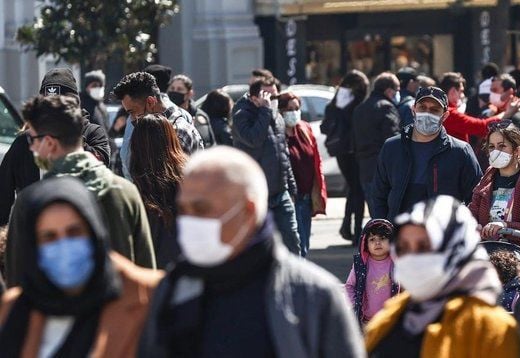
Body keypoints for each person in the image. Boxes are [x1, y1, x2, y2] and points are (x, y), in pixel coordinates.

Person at [137, 146, 364, 357]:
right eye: (183, 210)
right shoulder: (173, 288)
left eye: (201, 209)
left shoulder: (312, 297)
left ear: (248, 211)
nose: (189, 221)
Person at [0, 177, 164, 357]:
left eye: (74, 232)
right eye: (49, 237)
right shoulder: (14, 311)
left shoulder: (152, 295)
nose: (64, 246)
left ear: (95, 232)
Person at [5, 96, 155, 286]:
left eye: (31, 138)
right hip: (120, 311)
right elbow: (146, 276)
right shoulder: (125, 191)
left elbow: (17, 281)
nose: (31, 147)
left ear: (50, 143)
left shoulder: (30, 201)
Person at [365, 196, 520, 357]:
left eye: (424, 246)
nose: (412, 257)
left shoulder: (490, 328)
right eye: (404, 247)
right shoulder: (390, 316)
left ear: (456, 251)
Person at [0, 68, 111, 226]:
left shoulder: (93, 133)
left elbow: (99, 166)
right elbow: (3, 194)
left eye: (61, 107)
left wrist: (69, 134)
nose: (53, 114)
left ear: (74, 106)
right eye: (48, 107)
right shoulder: (26, 142)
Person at [371, 86, 482, 221]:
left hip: (442, 236)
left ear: (445, 115)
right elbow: (379, 195)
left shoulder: (460, 151)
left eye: (434, 110)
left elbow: (476, 197)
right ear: (414, 110)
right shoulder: (392, 148)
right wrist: (381, 229)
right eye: (422, 108)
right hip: (399, 235)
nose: (427, 113)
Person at [231, 75, 301, 255]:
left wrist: (291, 186)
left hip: (280, 192)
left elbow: (282, 152)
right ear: (254, 98)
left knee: (292, 241)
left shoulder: (275, 115)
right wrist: (265, 111)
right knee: (259, 248)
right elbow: (254, 139)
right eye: (268, 97)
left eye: (276, 96)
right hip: (257, 196)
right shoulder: (241, 116)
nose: (273, 101)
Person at [113, 71, 204, 180]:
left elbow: (175, 186)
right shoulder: (149, 129)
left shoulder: (178, 132)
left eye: (132, 112)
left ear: (151, 102)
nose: (132, 119)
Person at [130, 114, 187, 268]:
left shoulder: (137, 191)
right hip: (187, 269)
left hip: (151, 275)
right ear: (172, 140)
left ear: (136, 147)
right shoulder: (188, 178)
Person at [321, 70, 369, 242]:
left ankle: (348, 227)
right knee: (357, 189)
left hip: (341, 151)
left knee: (353, 188)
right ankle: (355, 231)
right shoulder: (357, 103)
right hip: (354, 150)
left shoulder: (335, 103)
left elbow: (324, 127)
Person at [279, 92, 327, 257]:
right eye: (289, 109)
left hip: (306, 198)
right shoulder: (277, 133)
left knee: (304, 245)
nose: (293, 112)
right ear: (280, 111)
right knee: (296, 247)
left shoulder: (304, 129)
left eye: (296, 108)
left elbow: (315, 160)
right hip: (289, 198)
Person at [469, 123, 520, 239]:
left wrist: (505, 226)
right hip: (487, 249)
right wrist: (473, 225)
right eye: (492, 147)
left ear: (517, 151)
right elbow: (473, 210)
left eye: (502, 146)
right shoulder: (485, 181)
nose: (496, 151)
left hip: (518, 252)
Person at [352, 72, 401, 210]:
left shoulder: (360, 109)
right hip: (383, 171)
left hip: (365, 169)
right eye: (397, 90)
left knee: (376, 216)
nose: (398, 94)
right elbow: (393, 141)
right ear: (389, 91)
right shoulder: (386, 107)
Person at [345, 219, 399, 325]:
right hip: (367, 321)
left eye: (382, 238)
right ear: (365, 243)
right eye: (372, 239)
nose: (377, 243)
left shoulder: (397, 262)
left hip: (391, 320)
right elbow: (349, 286)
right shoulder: (360, 264)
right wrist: (355, 305)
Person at [438, 72, 516, 143]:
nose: (463, 95)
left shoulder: (443, 110)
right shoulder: (449, 113)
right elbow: (481, 127)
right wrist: (506, 113)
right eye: (461, 91)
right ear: (453, 91)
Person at [489, 74, 520, 155]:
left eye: (495, 90)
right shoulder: (493, 113)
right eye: (491, 91)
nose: (491, 95)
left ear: (509, 92)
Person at [168, 74, 216, 147]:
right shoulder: (166, 115)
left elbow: (211, 143)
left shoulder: (200, 115)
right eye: (172, 88)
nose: (175, 92)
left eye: (179, 89)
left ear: (189, 93)